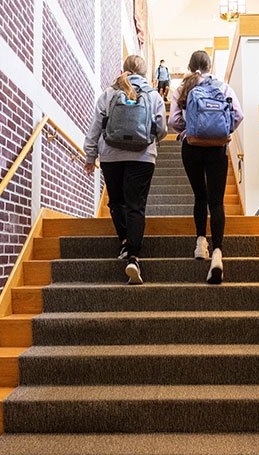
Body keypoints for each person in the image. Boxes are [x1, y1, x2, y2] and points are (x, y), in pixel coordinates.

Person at [84, 55, 167, 284]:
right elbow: (161, 129)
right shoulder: (153, 95)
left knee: (116, 202)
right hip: (143, 156)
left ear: (124, 70)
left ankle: (123, 242)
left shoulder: (109, 93)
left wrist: (90, 156)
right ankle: (133, 256)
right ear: (143, 72)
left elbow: (95, 128)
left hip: (111, 155)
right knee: (136, 206)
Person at [168, 50, 243, 284]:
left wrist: (190, 129)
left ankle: (201, 243)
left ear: (190, 67)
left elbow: (172, 122)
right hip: (218, 149)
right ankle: (218, 252)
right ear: (210, 66)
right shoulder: (223, 87)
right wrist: (221, 131)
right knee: (217, 201)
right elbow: (238, 115)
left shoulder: (182, 89)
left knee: (200, 196)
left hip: (191, 148)